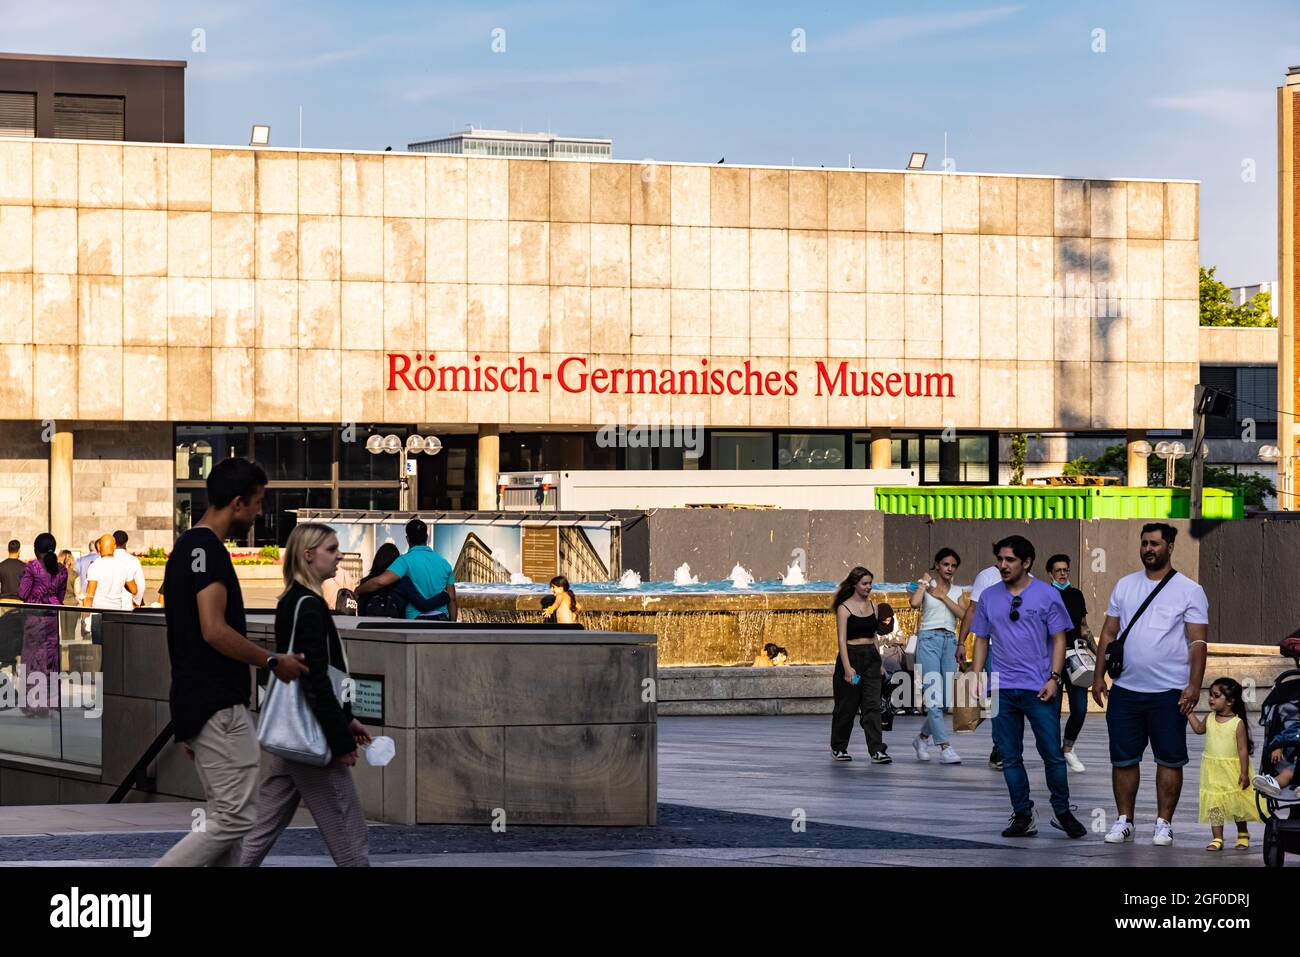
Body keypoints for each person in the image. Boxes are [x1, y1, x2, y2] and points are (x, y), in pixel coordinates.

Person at [155, 457, 308, 868]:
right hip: (217, 704)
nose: (260, 512)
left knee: (229, 819)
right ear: (238, 502)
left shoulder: (188, 547)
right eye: (257, 503)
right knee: (234, 816)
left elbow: (187, 635)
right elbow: (213, 629)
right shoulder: (208, 550)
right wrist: (273, 660)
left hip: (197, 702)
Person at [241, 523, 372, 867]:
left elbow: (312, 675)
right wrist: (340, 737)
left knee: (260, 829)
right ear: (308, 554)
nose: (339, 555)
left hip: (293, 732)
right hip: (312, 735)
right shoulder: (309, 605)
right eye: (331, 549)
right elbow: (316, 678)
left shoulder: (292, 601)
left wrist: (347, 719)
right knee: (348, 832)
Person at [1093, 523, 1208, 848]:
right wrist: (1098, 675)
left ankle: (1163, 824)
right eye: (1144, 543)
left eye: (1155, 544)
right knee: (1123, 759)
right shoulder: (1125, 585)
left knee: (1169, 759)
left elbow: (1198, 642)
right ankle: (1124, 820)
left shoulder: (1189, 590)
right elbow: (1108, 634)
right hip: (1126, 691)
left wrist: (1193, 686)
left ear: (1170, 547)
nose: (1148, 549)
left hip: (1169, 692)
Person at [969, 536, 1085, 838]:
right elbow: (981, 638)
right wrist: (976, 674)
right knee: (1010, 756)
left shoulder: (1046, 595)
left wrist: (1054, 678)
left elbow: (1060, 638)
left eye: (1009, 560)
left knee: (1052, 754)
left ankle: (1062, 811)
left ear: (1027, 562)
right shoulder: (989, 597)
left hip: (1040, 687)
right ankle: (1022, 814)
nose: (1002, 565)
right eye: (1000, 559)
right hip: (1002, 688)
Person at [830, 566, 894, 764]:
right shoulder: (844, 608)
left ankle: (877, 750)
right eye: (865, 583)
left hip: (870, 661)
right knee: (847, 705)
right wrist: (848, 668)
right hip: (852, 661)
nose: (868, 587)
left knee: (872, 705)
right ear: (855, 584)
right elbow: (841, 640)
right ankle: (839, 747)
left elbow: (873, 636)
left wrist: (880, 663)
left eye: (870, 584)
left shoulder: (874, 607)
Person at [1187, 677, 1258, 851]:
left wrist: (1243, 772)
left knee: (1236, 803)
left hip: (1232, 770)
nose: (1211, 699)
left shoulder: (1237, 723)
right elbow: (1198, 729)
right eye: (1210, 695)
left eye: (1216, 696)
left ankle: (1242, 833)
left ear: (1230, 701)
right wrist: (1189, 713)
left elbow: (1242, 750)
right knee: (1214, 804)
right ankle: (1217, 837)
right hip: (1212, 770)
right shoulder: (1210, 717)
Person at [908, 547, 965, 764]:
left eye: (953, 565)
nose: (949, 569)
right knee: (933, 696)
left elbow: (964, 615)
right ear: (937, 565)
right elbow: (914, 603)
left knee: (945, 701)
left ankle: (922, 738)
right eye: (945, 564)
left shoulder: (958, 590)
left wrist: (944, 597)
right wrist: (924, 583)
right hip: (929, 641)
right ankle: (945, 746)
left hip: (950, 642)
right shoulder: (927, 587)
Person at [1045, 554, 1094, 773]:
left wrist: (1096, 650)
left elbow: (1083, 625)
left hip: (1075, 656)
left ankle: (1068, 747)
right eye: (1058, 570)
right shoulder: (1043, 594)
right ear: (1050, 574)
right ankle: (1054, 754)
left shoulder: (1076, 595)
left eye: (1066, 570)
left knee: (1080, 708)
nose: (1063, 574)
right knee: (1052, 710)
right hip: (1050, 658)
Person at [958, 551, 1007, 770]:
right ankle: (1000, 748)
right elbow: (972, 609)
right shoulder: (987, 577)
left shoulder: (1029, 580)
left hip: (1020, 651)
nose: (1005, 563)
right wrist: (962, 642)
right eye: (1002, 558)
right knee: (998, 698)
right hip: (994, 648)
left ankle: (1008, 746)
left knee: (1010, 700)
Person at [355, 519, 457, 621]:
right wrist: (452, 623)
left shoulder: (404, 561)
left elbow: (379, 582)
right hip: (441, 619)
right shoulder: (444, 563)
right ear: (427, 537)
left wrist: (358, 590)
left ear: (407, 539)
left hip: (415, 620)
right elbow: (452, 598)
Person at [18, 533, 67, 717]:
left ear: (35, 549)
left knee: (32, 661)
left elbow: (23, 593)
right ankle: (50, 702)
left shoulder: (33, 567)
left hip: (34, 620)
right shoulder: (62, 570)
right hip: (52, 619)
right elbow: (60, 597)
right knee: (50, 660)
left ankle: (32, 705)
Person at [356, 542, 451, 618]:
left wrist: (357, 590)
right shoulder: (402, 582)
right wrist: (445, 596)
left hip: (369, 631)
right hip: (394, 633)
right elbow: (424, 605)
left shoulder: (365, 583)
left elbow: (360, 612)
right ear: (396, 563)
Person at [1252, 702, 1298, 798]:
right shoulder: (1293, 729)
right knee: (1285, 773)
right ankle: (1272, 785)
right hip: (1294, 768)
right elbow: (1280, 738)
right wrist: (1278, 747)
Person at [112, 530, 147, 609]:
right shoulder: (133, 560)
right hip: (127, 605)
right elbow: (141, 585)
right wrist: (136, 602)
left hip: (105, 607)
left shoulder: (103, 559)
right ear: (126, 542)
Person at [57, 549, 79, 646]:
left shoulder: (55, 574)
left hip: (58, 605)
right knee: (71, 635)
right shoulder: (74, 574)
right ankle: (69, 657)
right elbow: (77, 593)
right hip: (71, 606)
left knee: (59, 634)